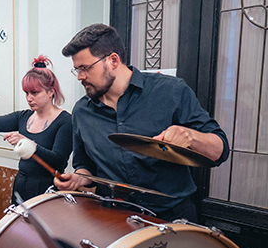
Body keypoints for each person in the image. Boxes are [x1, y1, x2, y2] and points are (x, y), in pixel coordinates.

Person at [54, 23, 229, 221]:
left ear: (113, 60)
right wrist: (79, 177)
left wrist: (191, 137)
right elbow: (85, 165)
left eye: (85, 68)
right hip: (112, 219)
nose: (80, 77)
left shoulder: (171, 91)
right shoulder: (81, 111)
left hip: (172, 218)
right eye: (76, 70)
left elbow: (221, 151)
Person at [0, 55, 72, 203]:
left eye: (34, 93)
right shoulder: (24, 116)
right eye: (26, 93)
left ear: (51, 91)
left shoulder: (65, 121)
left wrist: (30, 145)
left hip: (47, 188)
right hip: (21, 183)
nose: (29, 98)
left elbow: (58, 161)